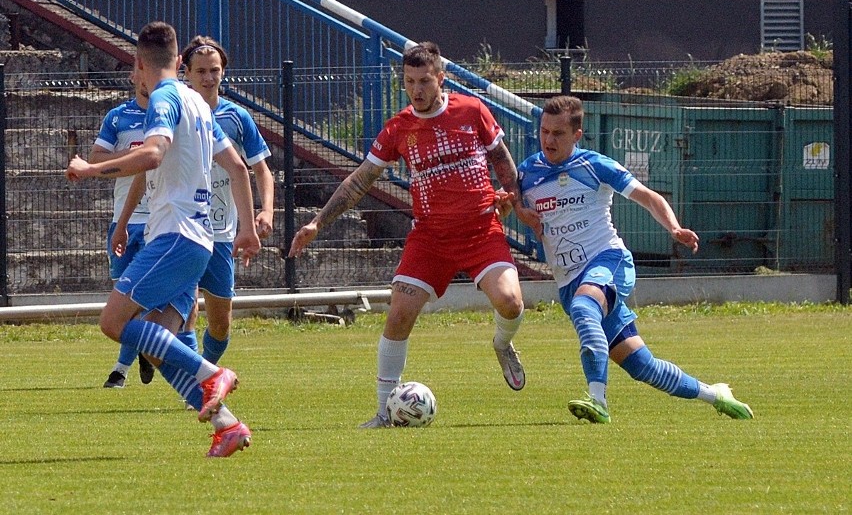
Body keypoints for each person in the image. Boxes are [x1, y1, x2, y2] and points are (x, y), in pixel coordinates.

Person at [288, 41, 526, 428]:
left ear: (441, 79)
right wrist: (318, 222)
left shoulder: (472, 111)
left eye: (425, 81)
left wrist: (515, 201)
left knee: (512, 304)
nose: (417, 90)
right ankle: (384, 412)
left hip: (481, 230)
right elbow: (359, 181)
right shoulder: (399, 127)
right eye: (409, 82)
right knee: (398, 315)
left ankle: (501, 344)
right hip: (430, 238)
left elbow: (502, 160)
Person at [66, 21, 262, 457]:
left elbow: (152, 153)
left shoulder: (166, 97)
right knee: (158, 344)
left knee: (113, 323)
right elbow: (237, 167)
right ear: (179, 62)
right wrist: (246, 228)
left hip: (173, 235)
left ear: (138, 64)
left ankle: (211, 372)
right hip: (198, 239)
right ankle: (226, 426)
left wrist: (92, 169)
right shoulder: (196, 102)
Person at [514, 95, 754, 423]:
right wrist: (514, 213)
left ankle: (597, 401)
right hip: (569, 281)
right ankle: (715, 394)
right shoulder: (528, 173)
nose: (548, 140)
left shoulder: (595, 166)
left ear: (577, 135)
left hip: (607, 261)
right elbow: (516, 211)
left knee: (586, 309)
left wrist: (674, 228)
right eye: (544, 131)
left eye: (558, 133)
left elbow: (649, 197)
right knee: (643, 366)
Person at [179, 35, 274, 365]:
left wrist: (266, 210)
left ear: (223, 73)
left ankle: (208, 368)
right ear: (186, 73)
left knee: (220, 324)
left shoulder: (236, 117)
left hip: (221, 232)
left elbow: (261, 170)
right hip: (183, 227)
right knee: (185, 309)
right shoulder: (175, 114)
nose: (208, 78)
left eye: (214, 70)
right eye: (201, 71)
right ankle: (197, 381)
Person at [90, 68, 156, 388]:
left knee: (138, 299)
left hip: (158, 221)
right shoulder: (118, 117)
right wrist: (129, 157)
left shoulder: (168, 117)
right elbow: (97, 159)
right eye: (141, 72)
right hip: (123, 221)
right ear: (133, 77)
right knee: (122, 297)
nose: (146, 79)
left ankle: (119, 370)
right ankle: (144, 348)